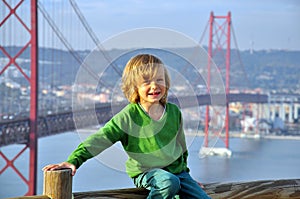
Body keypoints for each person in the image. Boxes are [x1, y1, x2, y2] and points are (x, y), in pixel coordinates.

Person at [43, 54, 211, 199]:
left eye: (159, 79)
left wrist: (187, 177)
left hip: (178, 174)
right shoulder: (128, 117)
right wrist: (74, 160)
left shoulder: (174, 112)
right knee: (168, 182)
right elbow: (99, 139)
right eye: (146, 82)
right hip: (146, 172)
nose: (154, 86)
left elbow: (181, 148)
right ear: (134, 87)